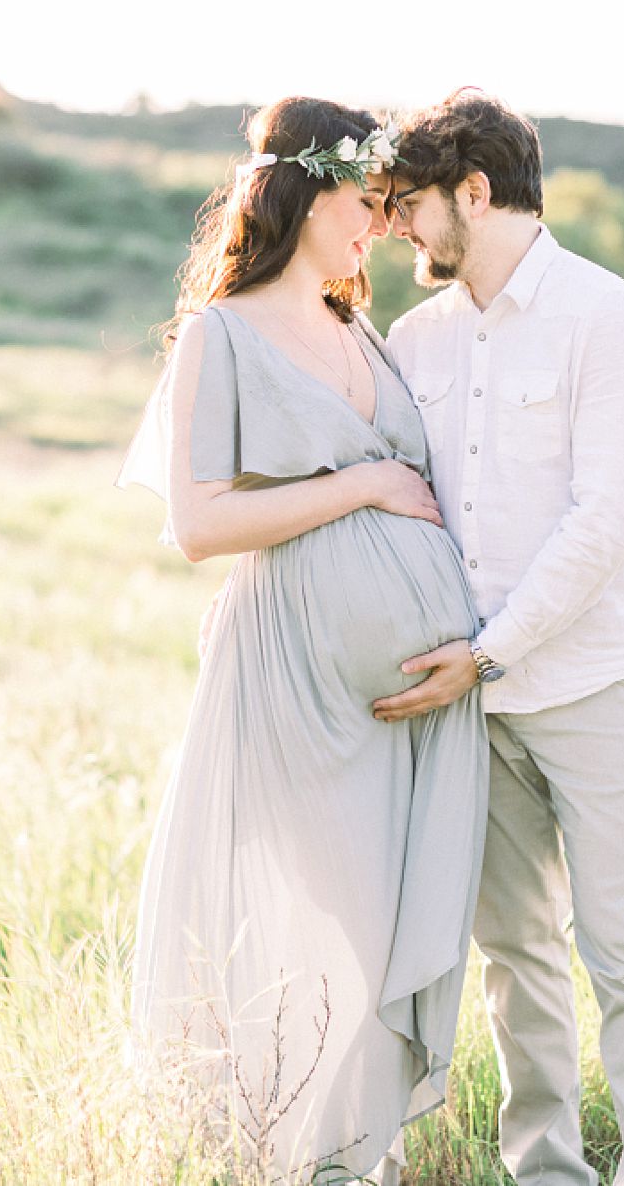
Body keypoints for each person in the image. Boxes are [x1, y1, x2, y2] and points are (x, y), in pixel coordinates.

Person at [117, 97, 488, 1184]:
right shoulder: (220, 333)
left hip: (414, 701)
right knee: (325, 923)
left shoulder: (358, 327)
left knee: (381, 930)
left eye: (381, 207)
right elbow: (197, 526)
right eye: (360, 202)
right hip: (293, 677)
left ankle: (349, 1160)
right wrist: (362, 484)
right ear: (300, 195)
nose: (375, 224)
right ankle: (287, 1158)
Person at [370, 87, 624, 1186]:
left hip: (598, 681)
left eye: (411, 203)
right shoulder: (413, 339)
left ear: (475, 190)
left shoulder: (611, 322)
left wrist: (493, 649)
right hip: (470, 700)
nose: (399, 228)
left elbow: (606, 520)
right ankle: (547, 1172)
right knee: (514, 956)